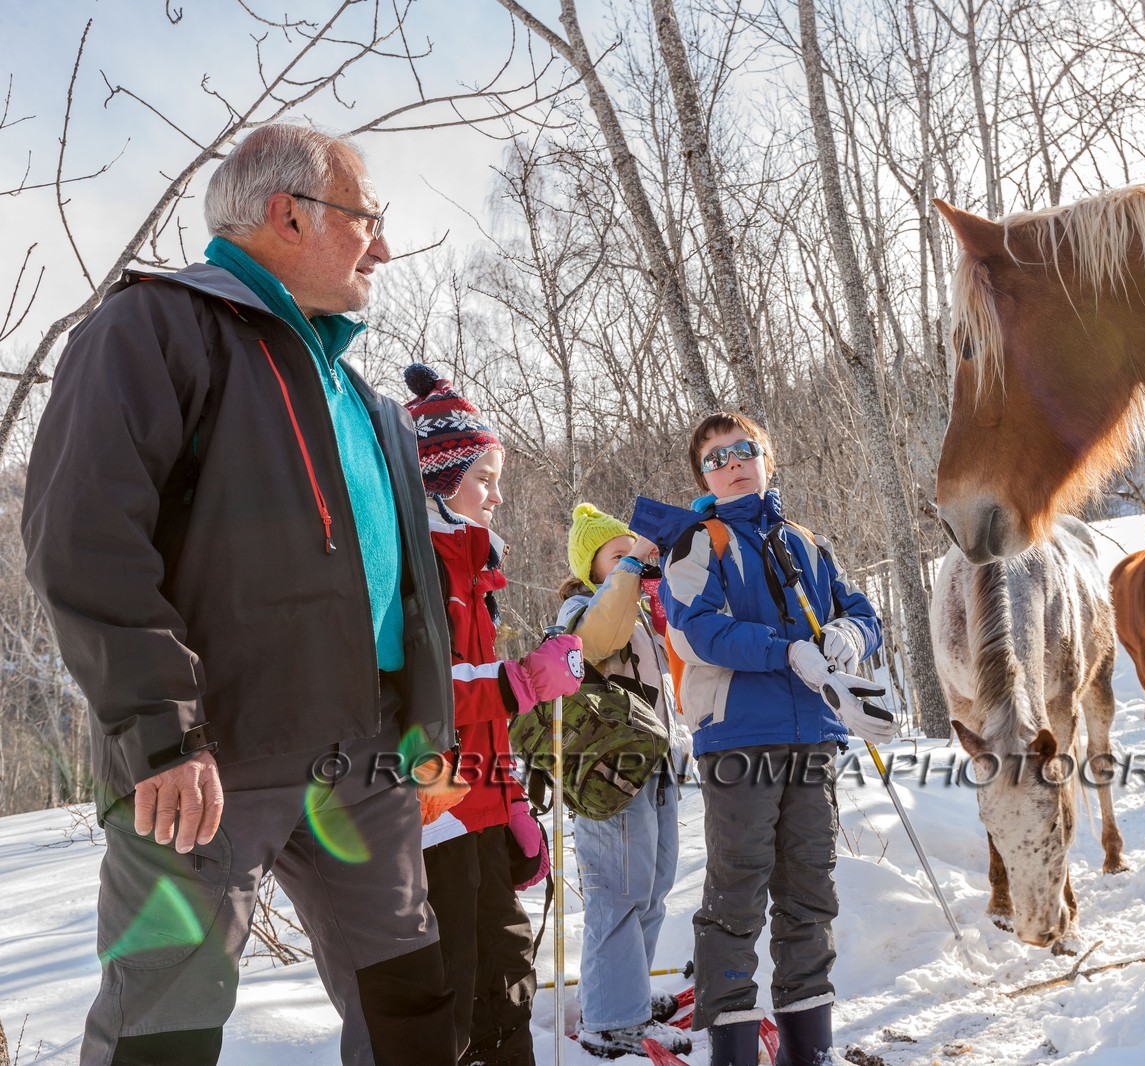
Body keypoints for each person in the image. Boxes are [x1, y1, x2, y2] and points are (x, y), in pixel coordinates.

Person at [22, 123, 459, 1065]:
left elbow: (406, 589)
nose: (380, 245)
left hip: (368, 764)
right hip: (211, 763)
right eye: (366, 219)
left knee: (411, 1016)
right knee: (162, 1040)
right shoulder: (151, 327)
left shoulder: (361, 396)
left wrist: (428, 729)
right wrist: (162, 732)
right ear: (286, 214)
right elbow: (81, 541)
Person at [661, 412, 885, 1066]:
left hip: (814, 734)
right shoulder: (697, 541)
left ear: (767, 457)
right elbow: (698, 631)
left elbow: (862, 613)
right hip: (737, 740)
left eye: (744, 450)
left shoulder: (807, 541)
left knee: (809, 894)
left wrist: (848, 638)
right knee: (737, 894)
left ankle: (806, 1051)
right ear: (703, 474)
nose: (732, 462)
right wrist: (785, 652)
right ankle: (732, 1052)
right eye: (715, 457)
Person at [403, 363, 585, 1065]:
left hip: (477, 797)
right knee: (458, 978)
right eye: (484, 477)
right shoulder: (417, 566)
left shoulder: (475, 567)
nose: (498, 495)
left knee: (506, 965)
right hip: (432, 806)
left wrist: (511, 804)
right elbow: (422, 695)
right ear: (439, 481)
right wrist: (524, 681)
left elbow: (484, 719)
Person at [555, 504, 693, 1060]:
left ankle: (621, 997)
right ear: (591, 568)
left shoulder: (636, 610)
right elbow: (595, 642)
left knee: (653, 890)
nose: (634, 562)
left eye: (633, 553)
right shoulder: (581, 607)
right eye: (616, 555)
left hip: (651, 765)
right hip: (607, 776)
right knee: (618, 893)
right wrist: (632, 567)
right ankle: (613, 1023)